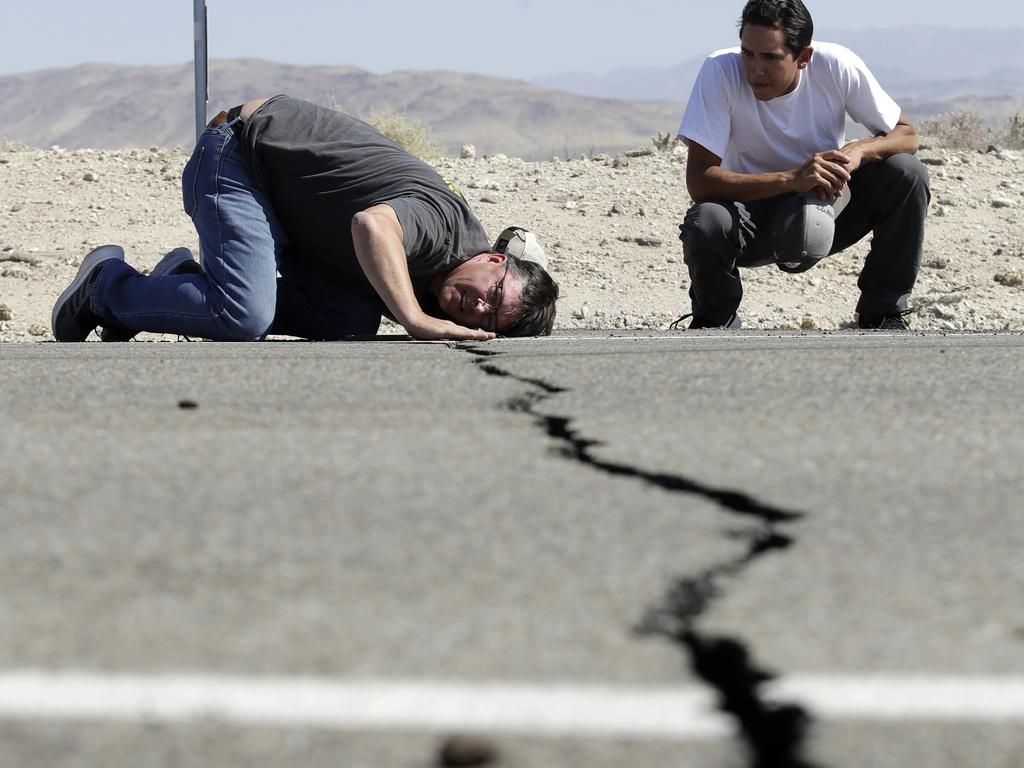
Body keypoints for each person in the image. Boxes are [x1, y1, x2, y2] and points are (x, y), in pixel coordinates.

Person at [52, 95, 559, 343]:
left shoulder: (452, 281)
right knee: (241, 318)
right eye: (494, 294)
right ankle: (106, 285)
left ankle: (180, 284)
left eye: (489, 319)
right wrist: (414, 319)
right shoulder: (443, 228)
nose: (477, 307)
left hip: (295, 218)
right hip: (242, 155)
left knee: (352, 322)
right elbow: (372, 226)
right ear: (494, 258)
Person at [675, 0, 930, 330]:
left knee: (907, 174)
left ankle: (883, 313)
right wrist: (791, 179)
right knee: (706, 220)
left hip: (826, 206)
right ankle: (715, 320)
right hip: (750, 215)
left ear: (803, 58)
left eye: (770, 57)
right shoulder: (719, 71)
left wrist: (859, 150)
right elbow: (700, 182)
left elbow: (907, 135)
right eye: (747, 53)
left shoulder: (836, 65)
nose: (754, 69)